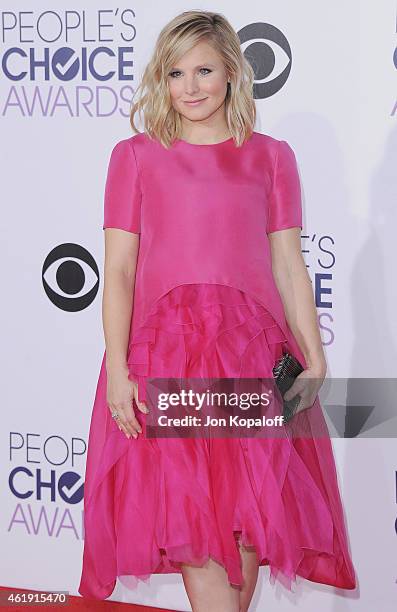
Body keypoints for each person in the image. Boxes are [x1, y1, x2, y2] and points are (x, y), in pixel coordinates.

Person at [78, 9, 357, 611]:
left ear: (233, 71)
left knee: (246, 522)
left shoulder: (271, 157)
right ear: (161, 79)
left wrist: (313, 355)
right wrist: (120, 371)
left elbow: (288, 264)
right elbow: (119, 271)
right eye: (176, 73)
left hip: (253, 359)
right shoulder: (134, 157)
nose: (191, 86)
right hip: (168, 359)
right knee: (196, 524)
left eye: (205, 69)